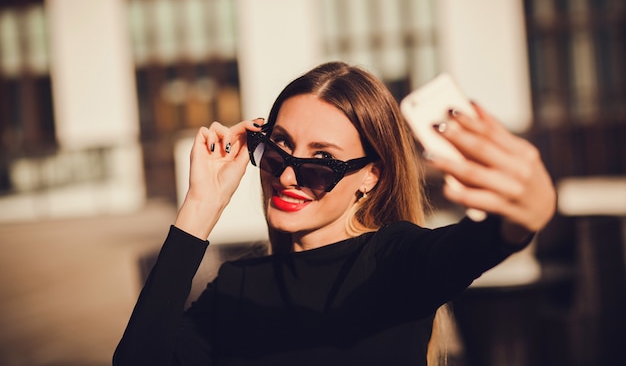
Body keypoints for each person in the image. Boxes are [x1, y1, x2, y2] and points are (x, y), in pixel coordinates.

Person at [113, 61, 556, 366]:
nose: (288, 177)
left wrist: (529, 207)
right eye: (278, 149)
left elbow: (483, 241)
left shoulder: (395, 264)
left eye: (320, 163)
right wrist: (200, 205)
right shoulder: (237, 285)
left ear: (371, 176)